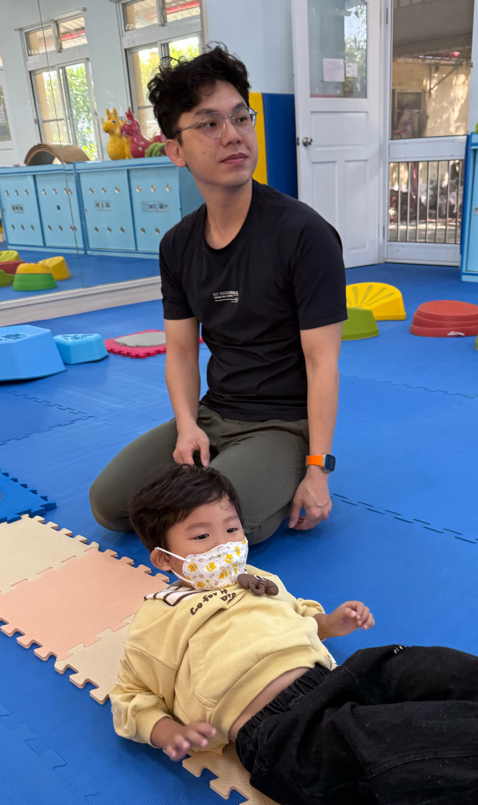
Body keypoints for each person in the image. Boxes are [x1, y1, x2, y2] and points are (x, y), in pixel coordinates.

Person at [109, 465, 478, 805]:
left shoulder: (259, 578)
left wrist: (330, 622)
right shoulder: (158, 621)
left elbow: (296, 618)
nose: (225, 545)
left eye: (231, 528)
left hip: (336, 678)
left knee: (422, 667)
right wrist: (166, 730)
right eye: (201, 537)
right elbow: (131, 696)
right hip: (278, 733)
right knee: (382, 746)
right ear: (164, 559)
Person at [89, 45, 347, 545]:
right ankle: (225, 474)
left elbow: (323, 363)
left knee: (215, 530)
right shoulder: (178, 245)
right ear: (176, 151)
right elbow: (182, 352)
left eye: (240, 118)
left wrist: (318, 469)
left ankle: (278, 475)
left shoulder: (305, 234)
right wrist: (188, 425)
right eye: (209, 124)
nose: (232, 135)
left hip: (283, 425)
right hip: (213, 413)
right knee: (109, 504)